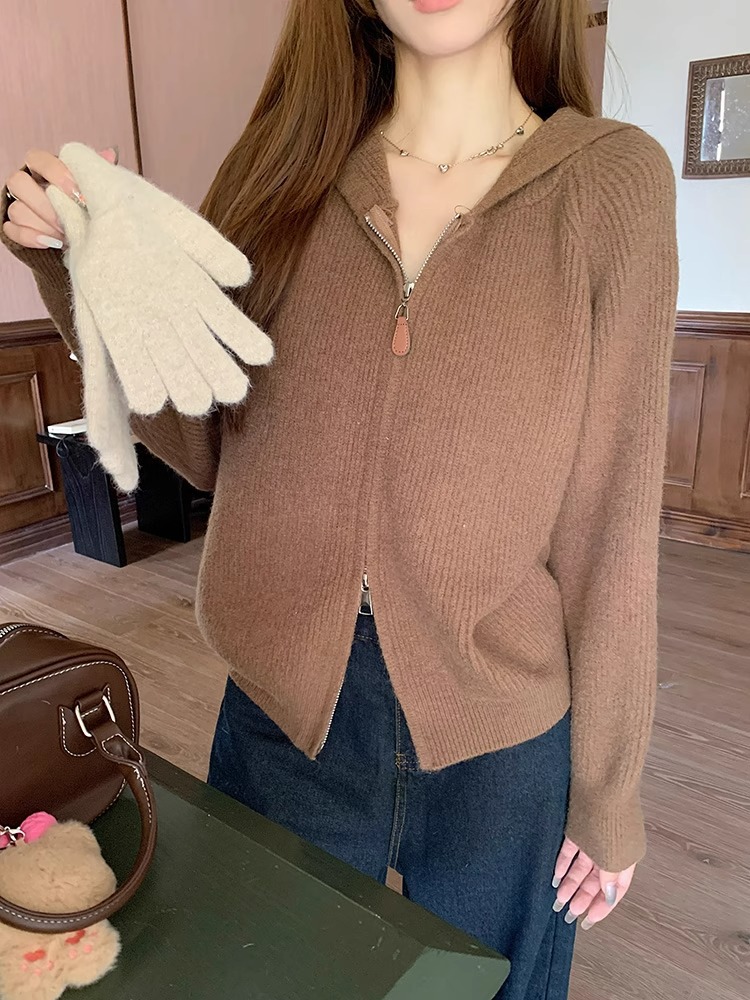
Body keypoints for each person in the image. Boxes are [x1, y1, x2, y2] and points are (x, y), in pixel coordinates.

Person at [2, 0, 678, 996]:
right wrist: (75, 265)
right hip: (284, 716)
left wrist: (610, 789)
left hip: (502, 729)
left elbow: (612, 524)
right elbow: (204, 438)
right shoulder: (281, 170)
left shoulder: (612, 182)